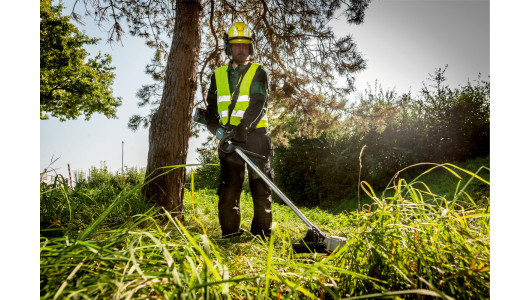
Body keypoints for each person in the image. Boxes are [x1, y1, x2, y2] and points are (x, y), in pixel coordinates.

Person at [204, 22, 274, 239]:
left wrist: (244, 128)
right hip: (229, 139)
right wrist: (216, 129)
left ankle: (261, 234)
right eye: (236, 45)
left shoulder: (258, 71)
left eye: (245, 45)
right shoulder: (217, 75)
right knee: (228, 188)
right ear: (229, 48)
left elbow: (258, 103)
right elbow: (211, 109)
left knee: (260, 187)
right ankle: (230, 233)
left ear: (250, 48)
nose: (241, 49)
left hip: (255, 137)